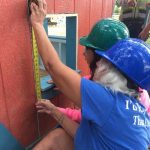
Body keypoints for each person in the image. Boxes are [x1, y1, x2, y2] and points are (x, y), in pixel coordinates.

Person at [30, 0, 150, 149]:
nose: (100, 64)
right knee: (58, 137)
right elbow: (86, 137)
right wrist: (54, 111)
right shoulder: (134, 104)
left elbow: (52, 66)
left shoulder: (108, 100)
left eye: (106, 61)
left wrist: (37, 23)